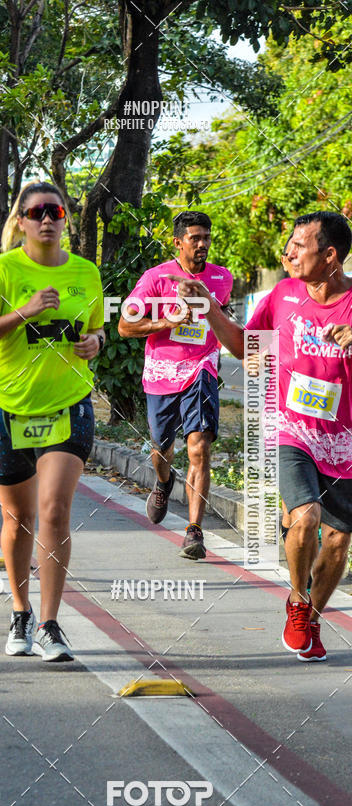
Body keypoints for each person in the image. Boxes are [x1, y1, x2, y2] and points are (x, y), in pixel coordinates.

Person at [187, 210, 352, 663]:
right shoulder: (282, 294)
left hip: (345, 442)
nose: (289, 253)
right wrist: (210, 307)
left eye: (300, 246)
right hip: (290, 429)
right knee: (306, 516)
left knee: (338, 541)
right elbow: (245, 347)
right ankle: (298, 602)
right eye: (290, 244)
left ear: (330, 255)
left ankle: (313, 614)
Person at [0, 181, 105, 662]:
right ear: (20, 221)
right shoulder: (2, 272)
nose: (47, 218)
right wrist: (23, 312)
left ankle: (49, 623)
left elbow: (97, 327)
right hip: (7, 408)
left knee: (54, 511)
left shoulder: (86, 273)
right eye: (36, 211)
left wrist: (96, 344)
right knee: (18, 517)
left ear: (65, 219)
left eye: (55, 210)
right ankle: (20, 612)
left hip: (68, 405)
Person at [118, 211, 233, 559]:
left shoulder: (222, 278)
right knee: (161, 449)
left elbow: (222, 319)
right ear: (178, 242)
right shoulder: (155, 279)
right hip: (161, 373)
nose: (202, 244)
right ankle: (165, 482)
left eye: (206, 237)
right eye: (195, 238)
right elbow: (125, 326)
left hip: (202, 368)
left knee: (199, 446)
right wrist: (168, 320)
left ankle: (194, 531)